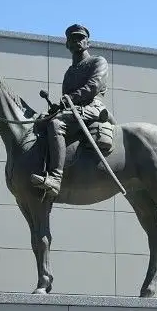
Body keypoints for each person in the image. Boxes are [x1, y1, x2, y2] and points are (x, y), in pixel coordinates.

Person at [30, 23, 110, 197]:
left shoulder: (98, 61)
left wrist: (69, 100)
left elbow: (93, 86)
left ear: (88, 42)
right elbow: (67, 97)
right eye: (72, 39)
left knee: (56, 124)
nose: (77, 41)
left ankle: (56, 178)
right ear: (67, 45)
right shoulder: (70, 71)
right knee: (40, 121)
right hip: (74, 108)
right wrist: (58, 106)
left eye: (81, 38)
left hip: (93, 106)